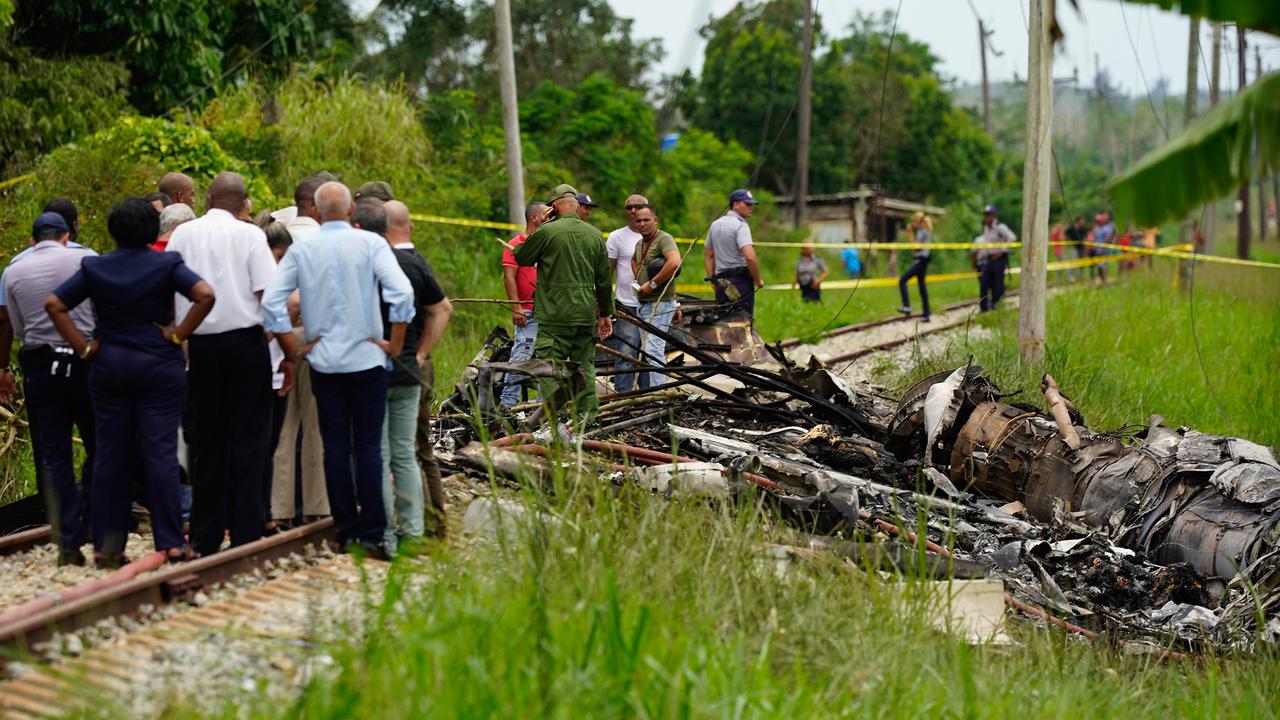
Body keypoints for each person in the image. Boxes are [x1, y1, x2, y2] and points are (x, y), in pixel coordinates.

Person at [47, 197, 215, 567]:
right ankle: (171, 542)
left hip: (109, 364)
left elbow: (55, 304)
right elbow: (204, 294)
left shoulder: (94, 266)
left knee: (110, 454)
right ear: (152, 231)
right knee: (159, 452)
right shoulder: (167, 262)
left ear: (112, 231)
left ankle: (108, 546)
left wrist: (84, 348)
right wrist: (177, 334)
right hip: (158, 363)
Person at [262, 181, 415, 559]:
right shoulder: (372, 244)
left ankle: (346, 531)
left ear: (315, 211)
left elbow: (272, 302)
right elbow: (402, 294)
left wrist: (292, 346)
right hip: (366, 360)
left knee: (334, 447)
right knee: (367, 447)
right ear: (350, 211)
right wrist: (394, 344)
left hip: (325, 362)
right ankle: (375, 532)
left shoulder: (304, 249)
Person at [166, 171, 279, 556]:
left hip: (199, 346)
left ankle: (205, 536)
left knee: (207, 442)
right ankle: (247, 534)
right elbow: (269, 294)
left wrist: (178, 336)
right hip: (247, 344)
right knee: (250, 440)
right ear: (244, 203)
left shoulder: (183, 234)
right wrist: (268, 337)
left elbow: (169, 288)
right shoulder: (251, 235)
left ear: (209, 200)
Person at [0, 213, 97, 565]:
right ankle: (100, 525)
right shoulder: (86, 258)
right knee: (99, 443)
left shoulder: (13, 271)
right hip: (85, 360)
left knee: (53, 455)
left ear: (31, 240)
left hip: (41, 367)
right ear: (66, 235)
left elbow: (18, 325)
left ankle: (66, 541)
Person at [378, 200, 452, 550]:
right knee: (418, 450)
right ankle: (433, 525)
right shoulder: (418, 262)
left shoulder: (391, 262)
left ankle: (424, 527)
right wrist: (423, 351)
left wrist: (418, 352)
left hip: (402, 365)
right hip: (418, 365)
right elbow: (443, 309)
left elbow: (441, 310)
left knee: (406, 450)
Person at [513, 184, 613, 430]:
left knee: (551, 369)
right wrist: (606, 313)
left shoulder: (547, 232)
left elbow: (521, 256)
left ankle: (550, 421)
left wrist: (539, 226)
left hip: (554, 316)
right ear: (577, 206)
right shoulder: (595, 235)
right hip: (584, 315)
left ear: (554, 207)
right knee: (584, 368)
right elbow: (603, 280)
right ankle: (587, 421)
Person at [269, 177, 330, 529]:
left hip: (275, 336)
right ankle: (315, 507)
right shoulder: (321, 241)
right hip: (309, 336)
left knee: (283, 428)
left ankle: (278, 510)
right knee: (315, 428)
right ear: (316, 206)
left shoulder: (278, 231)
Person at [499, 202, 546, 408]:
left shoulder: (547, 244)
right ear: (535, 218)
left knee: (547, 358)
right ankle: (508, 403)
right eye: (547, 214)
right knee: (521, 355)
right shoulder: (516, 243)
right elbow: (509, 278)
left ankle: (541, 405)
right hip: (527, 309)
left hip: (549, 311)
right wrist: (516, 307)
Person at [630, 206, 680, 388]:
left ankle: (660, 394)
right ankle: (653, 390)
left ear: (655, 220)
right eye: (638, 221)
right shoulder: (639, 243)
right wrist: (638, 279)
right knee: (647, 350)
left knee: (653, 349)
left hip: (660, 303)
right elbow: (634, 260)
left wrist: (652, 285)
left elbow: (674, 262)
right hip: (643, 303)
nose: (642, 224)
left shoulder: (663, 238)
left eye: (646, 220)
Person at [605, 195, 648, 393]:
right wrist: (602, 302)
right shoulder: (616, 237)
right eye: (629, 207)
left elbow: (668, 271)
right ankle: (622, 398)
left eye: (637, 207)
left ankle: (648, 396)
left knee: (650, 354)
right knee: (625, 353)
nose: (633, 211)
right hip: (626, 304)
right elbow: (607, 272)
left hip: (651, 305)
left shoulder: (657, 236)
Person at [705, 189, 764, 318]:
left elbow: (708, 255)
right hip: (740, 282)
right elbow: (750, 257)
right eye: (747, 204)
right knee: (743, 323)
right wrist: (757, 280)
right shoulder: (741, 226)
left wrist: (712, 279)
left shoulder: (715, 224)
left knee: (722, 323)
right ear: (736, 204)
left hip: (721, 283)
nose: (751, 207)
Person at [973, 204, 1015, 312]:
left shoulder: (1000, 227)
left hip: (999, 259)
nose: (987, 217)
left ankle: (996, 305)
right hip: (988, 259)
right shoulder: (986, 228)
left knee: (998, 284)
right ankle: (984, 308)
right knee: (984, 283)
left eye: (989, 215)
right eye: (986, 215)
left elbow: (1012, 238)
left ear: (994, 215)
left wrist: (1002, 251)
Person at [897, 212, 931, 319]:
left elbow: (915, 247)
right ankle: (926, 313)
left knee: (903, 280)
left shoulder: (922, 231)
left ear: (918, 221)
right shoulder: (925, 231)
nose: (912, 224)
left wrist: (910, 232)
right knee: (922, 286)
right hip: (922, 260)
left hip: (920, 261)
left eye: (913, 221)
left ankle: (907, 306)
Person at [1064, 216, 1087, 281]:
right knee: (1072, 261)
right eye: (1081, 221)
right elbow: (1065, 235)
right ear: (1078, 221)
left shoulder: (1083, 228)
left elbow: (1085, 236)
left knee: (1081, 262)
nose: (1083, 222)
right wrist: (1069, 243)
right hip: (1073, 248)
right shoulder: (1071, 228)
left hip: (1081, 247)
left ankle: (1081, 275)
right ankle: (1070, 276)